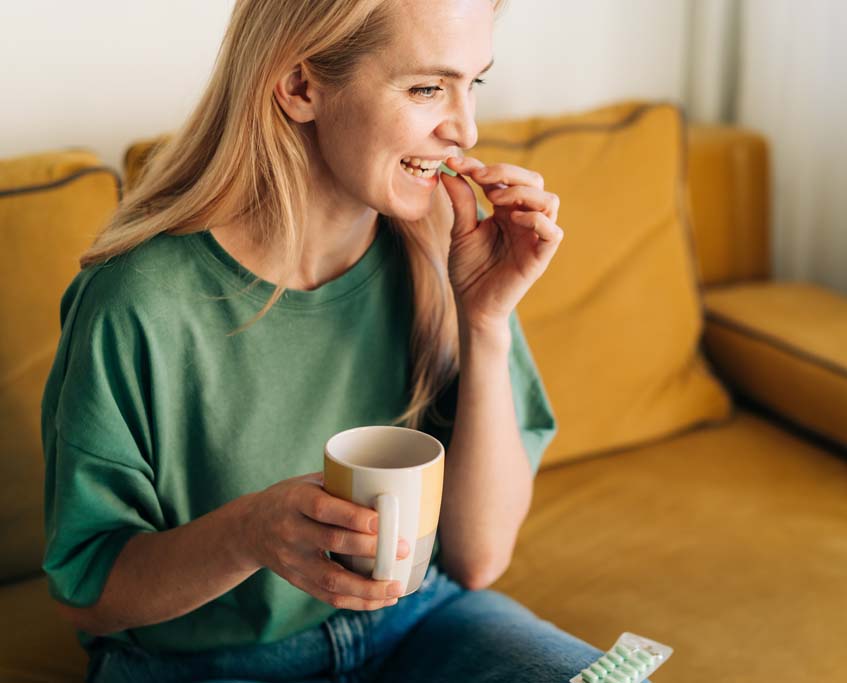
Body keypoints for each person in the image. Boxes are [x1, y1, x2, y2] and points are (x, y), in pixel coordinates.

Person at [36, 0, 645, 681]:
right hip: (205, 660)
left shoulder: (443, 247)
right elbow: (87, 592)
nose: (465, 128)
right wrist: (251, 531)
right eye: (426, 88)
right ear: (300, 86)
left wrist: (486, 321)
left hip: (414, 621)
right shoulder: (137, 301)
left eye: (474, 83)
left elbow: (479, 558)